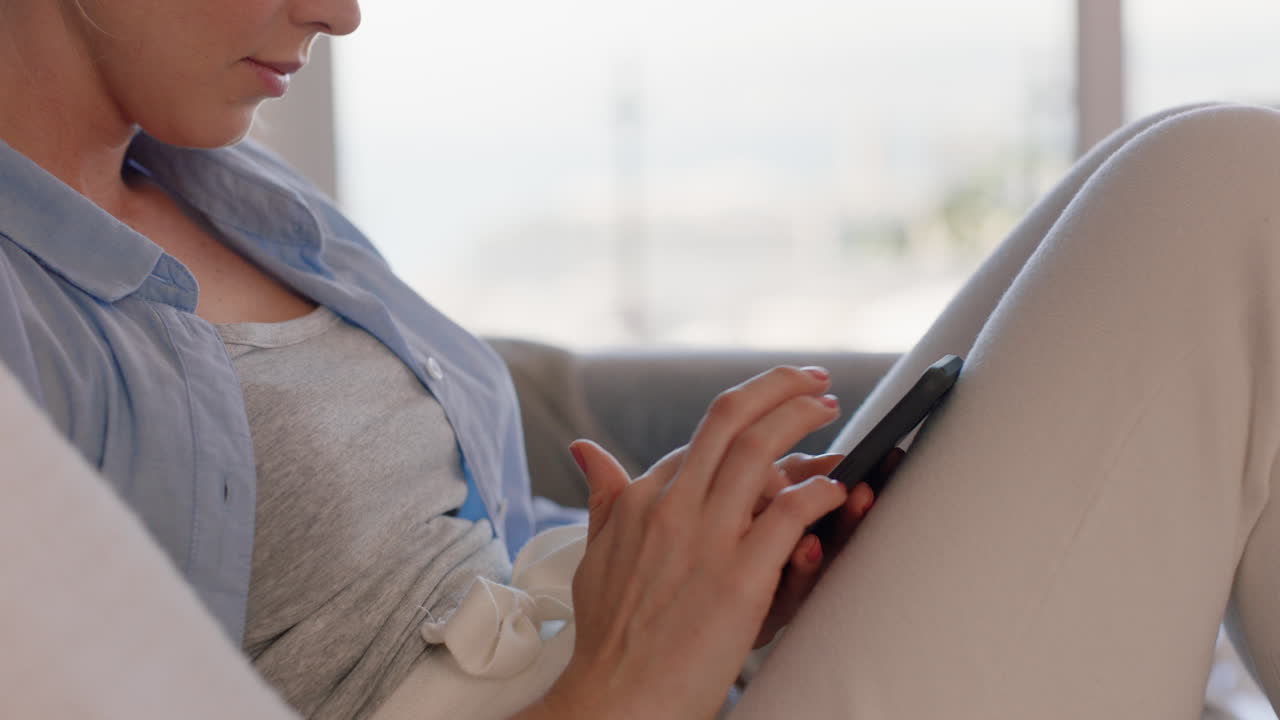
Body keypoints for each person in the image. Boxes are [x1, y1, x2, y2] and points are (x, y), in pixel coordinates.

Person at [4, 4, 1280, 720]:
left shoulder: (234, 188)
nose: (341, 10)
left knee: (1169, 163)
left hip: (651, 678)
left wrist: (688, 572)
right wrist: (627, 678)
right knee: (1221, 186)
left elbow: (454, 560)